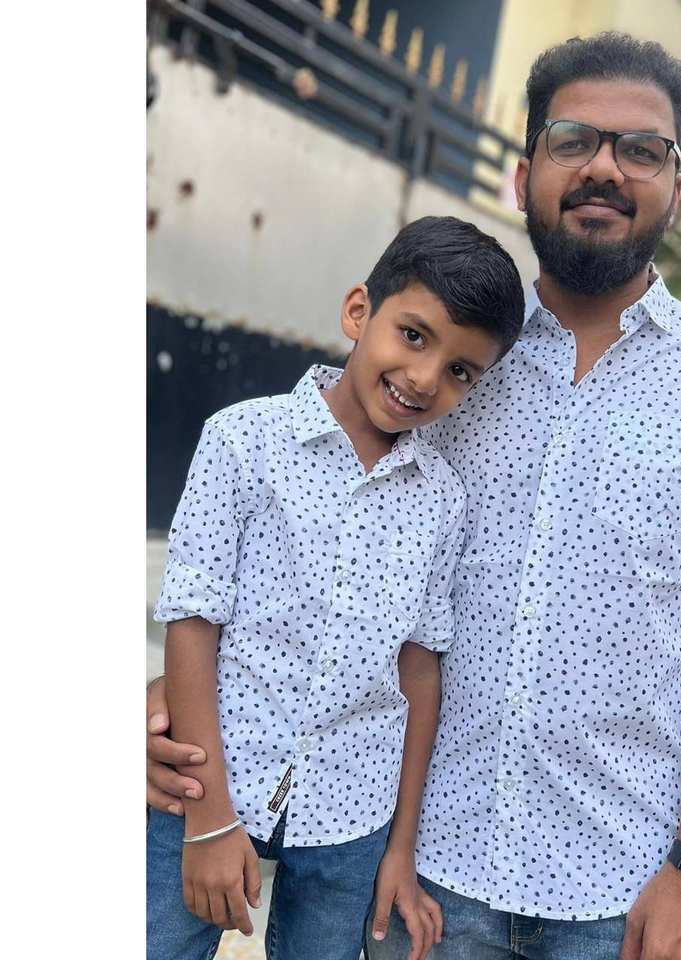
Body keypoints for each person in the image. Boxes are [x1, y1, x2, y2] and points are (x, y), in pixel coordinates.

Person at [148, 33, 681, 960]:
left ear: (676, 187)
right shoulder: (461, 346)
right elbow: (308, 537)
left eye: (641, 149)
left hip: (618, 880)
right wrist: (174, 705)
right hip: (424, 874)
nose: (605, 168)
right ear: (524, 176)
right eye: (574, 141)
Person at [146, 215, 525, 960]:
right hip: (210, 784)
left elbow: (419, 669)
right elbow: (192, 622)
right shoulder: (242, 441)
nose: (425, 378)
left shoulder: (443, 501)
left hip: (353, 814)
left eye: (461, 371)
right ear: (359, 312)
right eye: (413, 336)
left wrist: (400, 848)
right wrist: (210, 819)